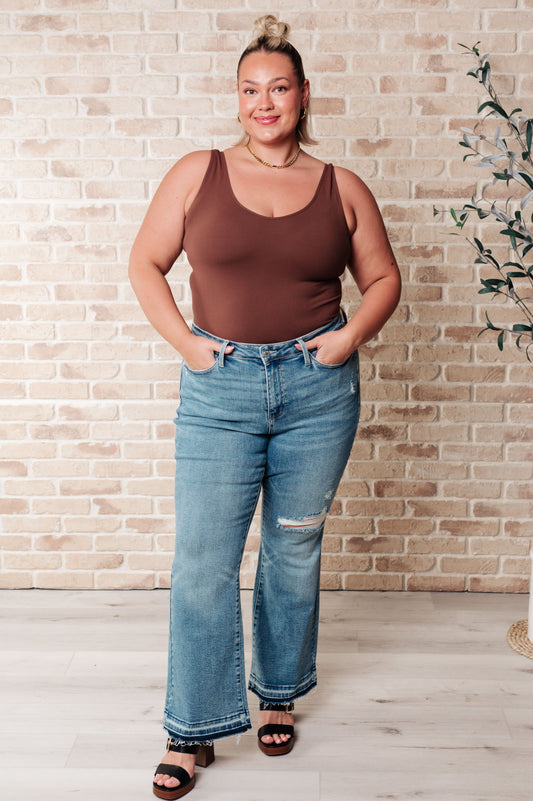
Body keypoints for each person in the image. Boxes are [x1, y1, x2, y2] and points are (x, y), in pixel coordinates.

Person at [129, 14, 401, 800]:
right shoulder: (198, 172)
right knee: (203, 562)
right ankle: (192, 726)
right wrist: (188, 346)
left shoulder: (342, 187)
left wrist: (347, 338)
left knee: (292, 548)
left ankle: (277, 691)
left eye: (278, 88)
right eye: (250, 90)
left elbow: (383, 279)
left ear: (303, 94)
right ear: (237, 99)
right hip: (220, 388)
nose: (264, 102)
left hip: (317, 392)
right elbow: (145, 262)